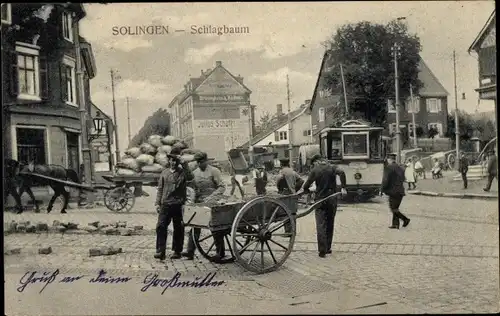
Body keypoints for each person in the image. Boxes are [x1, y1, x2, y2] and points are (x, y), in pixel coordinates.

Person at [297, 154, 347, 258]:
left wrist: (306, 190)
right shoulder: (332, 167)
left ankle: (322, 250)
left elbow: (306, 185)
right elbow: (342, 172)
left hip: (320, 200)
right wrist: (343, 188)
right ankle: (328, 248)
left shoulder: (315, 170)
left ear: (316, 161)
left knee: (321, 225)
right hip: (332, 199)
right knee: (330, 223)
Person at [182, 152, 226, 260]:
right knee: (195, 225)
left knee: (215, 227)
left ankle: (220, 253)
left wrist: (211, 198)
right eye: (198, 162)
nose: (200, 164)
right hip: (200, 201)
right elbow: (191, 187)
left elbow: (221, 187)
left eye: (202, 161)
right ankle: (190, 251)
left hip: (212, 201)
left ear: (206, 160)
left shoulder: (214, 171)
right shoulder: (195, 172)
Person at [154, 147, 193, 261]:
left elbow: (190, 177)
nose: (172, 162)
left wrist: (184, 164)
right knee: (161, 226)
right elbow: (160, 189)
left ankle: (177, 251)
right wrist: (157, 203)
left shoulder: (182, 173)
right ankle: (160, 251)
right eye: (171, 160)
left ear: (178, 162)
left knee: (178, 228)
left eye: (175, 160)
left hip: (178, 204)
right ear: (169, 161)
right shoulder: (164, 173)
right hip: (165, 204)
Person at [381, 153, 411, 229]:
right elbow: (403, 179)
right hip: (400, 191)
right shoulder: (400, 167)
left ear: (389, 159)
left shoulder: (389, 167)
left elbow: (385, 180)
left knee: (393, 208)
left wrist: (382, 189)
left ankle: (405, 219)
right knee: (395, 207)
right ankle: (395, 224)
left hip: (392, 191)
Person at [276, 158, 304, 234]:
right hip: (293, 194)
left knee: (285, 212)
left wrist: (279, 190)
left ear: (281, 164)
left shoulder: (282, 172)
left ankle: (288, 231)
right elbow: (301, 181)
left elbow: (279, 182)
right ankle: (293, 230)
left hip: (285, 194)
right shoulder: (293, 171)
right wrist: (295, 189)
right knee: (293, 213)